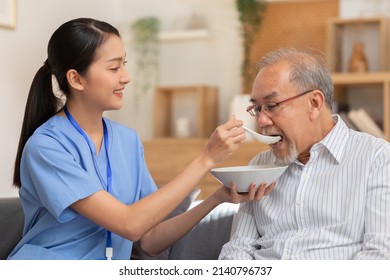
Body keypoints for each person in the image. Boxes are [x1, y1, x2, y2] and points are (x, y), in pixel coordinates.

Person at [9, 18, 275, 260]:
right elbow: (129, 223)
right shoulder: (46, 147)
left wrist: (216, 199)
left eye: (124, 64)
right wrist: (206, 159)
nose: (126, 77)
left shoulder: (127, 140)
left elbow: (148, 240)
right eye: (113, 68)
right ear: (76, 79)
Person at [219, 47, 390, 260]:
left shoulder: (377, 159)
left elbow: (380, 256)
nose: (261, 121)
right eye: (257, 108)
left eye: (271, 106)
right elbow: (238, 249)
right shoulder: (259, 165)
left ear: (314, 103)